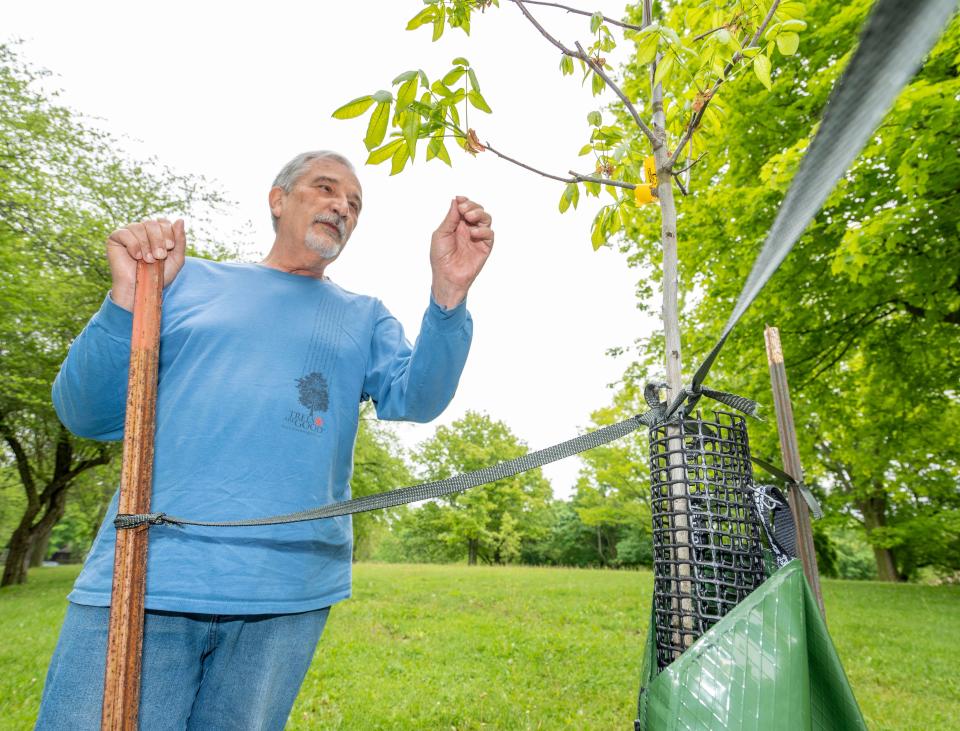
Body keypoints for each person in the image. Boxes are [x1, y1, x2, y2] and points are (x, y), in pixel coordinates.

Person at [35, 150, 494, 729]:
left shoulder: (364, 316)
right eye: (325, 189)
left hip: (288, 592)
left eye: (354, 204)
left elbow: (418, 398)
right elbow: (86, 412)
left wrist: (449, 294)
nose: (342, 207)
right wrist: (128, 296)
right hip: (145, 576)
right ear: (278, 200)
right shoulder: (183, 279)